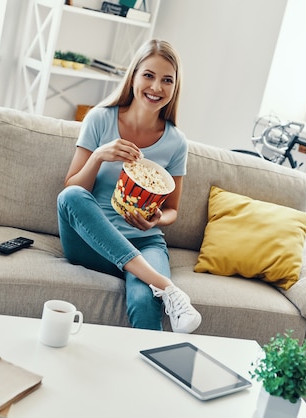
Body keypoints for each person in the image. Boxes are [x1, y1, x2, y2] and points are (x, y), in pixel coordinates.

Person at [56, 39, 202, 333]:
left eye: (167, 80)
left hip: (144, 242)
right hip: (91, 243)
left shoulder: (176, 142)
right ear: (133, 75)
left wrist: (157, 219)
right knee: (70, 195)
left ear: (175, 88)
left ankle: (149, 376)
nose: (156, 87)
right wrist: (99, 156)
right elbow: (72, 188)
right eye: (148, 75)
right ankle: (167, 287)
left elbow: (172, 209)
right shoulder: (100, 119)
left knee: (143, 300)